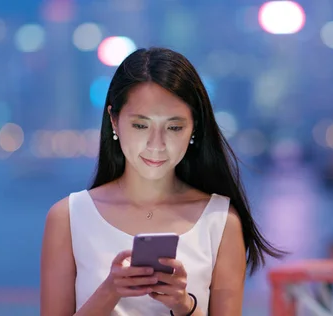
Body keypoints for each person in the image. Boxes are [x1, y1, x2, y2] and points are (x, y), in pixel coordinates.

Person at [40, 47, 285, 316]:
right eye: (140, 125)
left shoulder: (220, 221)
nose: (156, 144)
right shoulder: (69, 217)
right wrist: (110, 290)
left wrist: (183, 305)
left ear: (195, 128)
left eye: (174, 127)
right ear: (114, 120)